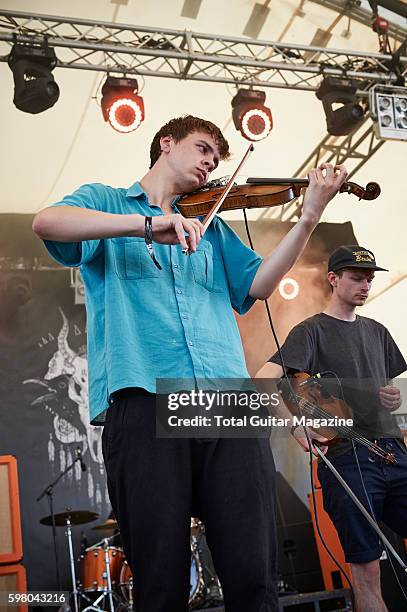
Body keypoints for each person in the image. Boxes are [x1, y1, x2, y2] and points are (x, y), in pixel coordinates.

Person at [33, 115, 348, 612]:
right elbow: (47, 222)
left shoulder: (213, 227)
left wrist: (308, 215)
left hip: (225, 401)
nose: (210, 163)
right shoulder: (107, 201)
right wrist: (147, 225)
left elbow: (260, 284)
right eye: (203, 149)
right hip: (145, 397)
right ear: (166, 144)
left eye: (216, 159)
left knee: (253, 570)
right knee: (160, 578)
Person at [256, 245, 407, 612]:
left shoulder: (378, 331)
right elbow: (263, 379)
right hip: (349, 458)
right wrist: (293, 426)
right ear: (333, 278)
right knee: (367, 572)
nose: (364, 285)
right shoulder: (310, 331)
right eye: (356, 277)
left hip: (392, 449)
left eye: (369, 279)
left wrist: (392, 399)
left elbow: (387, 393)